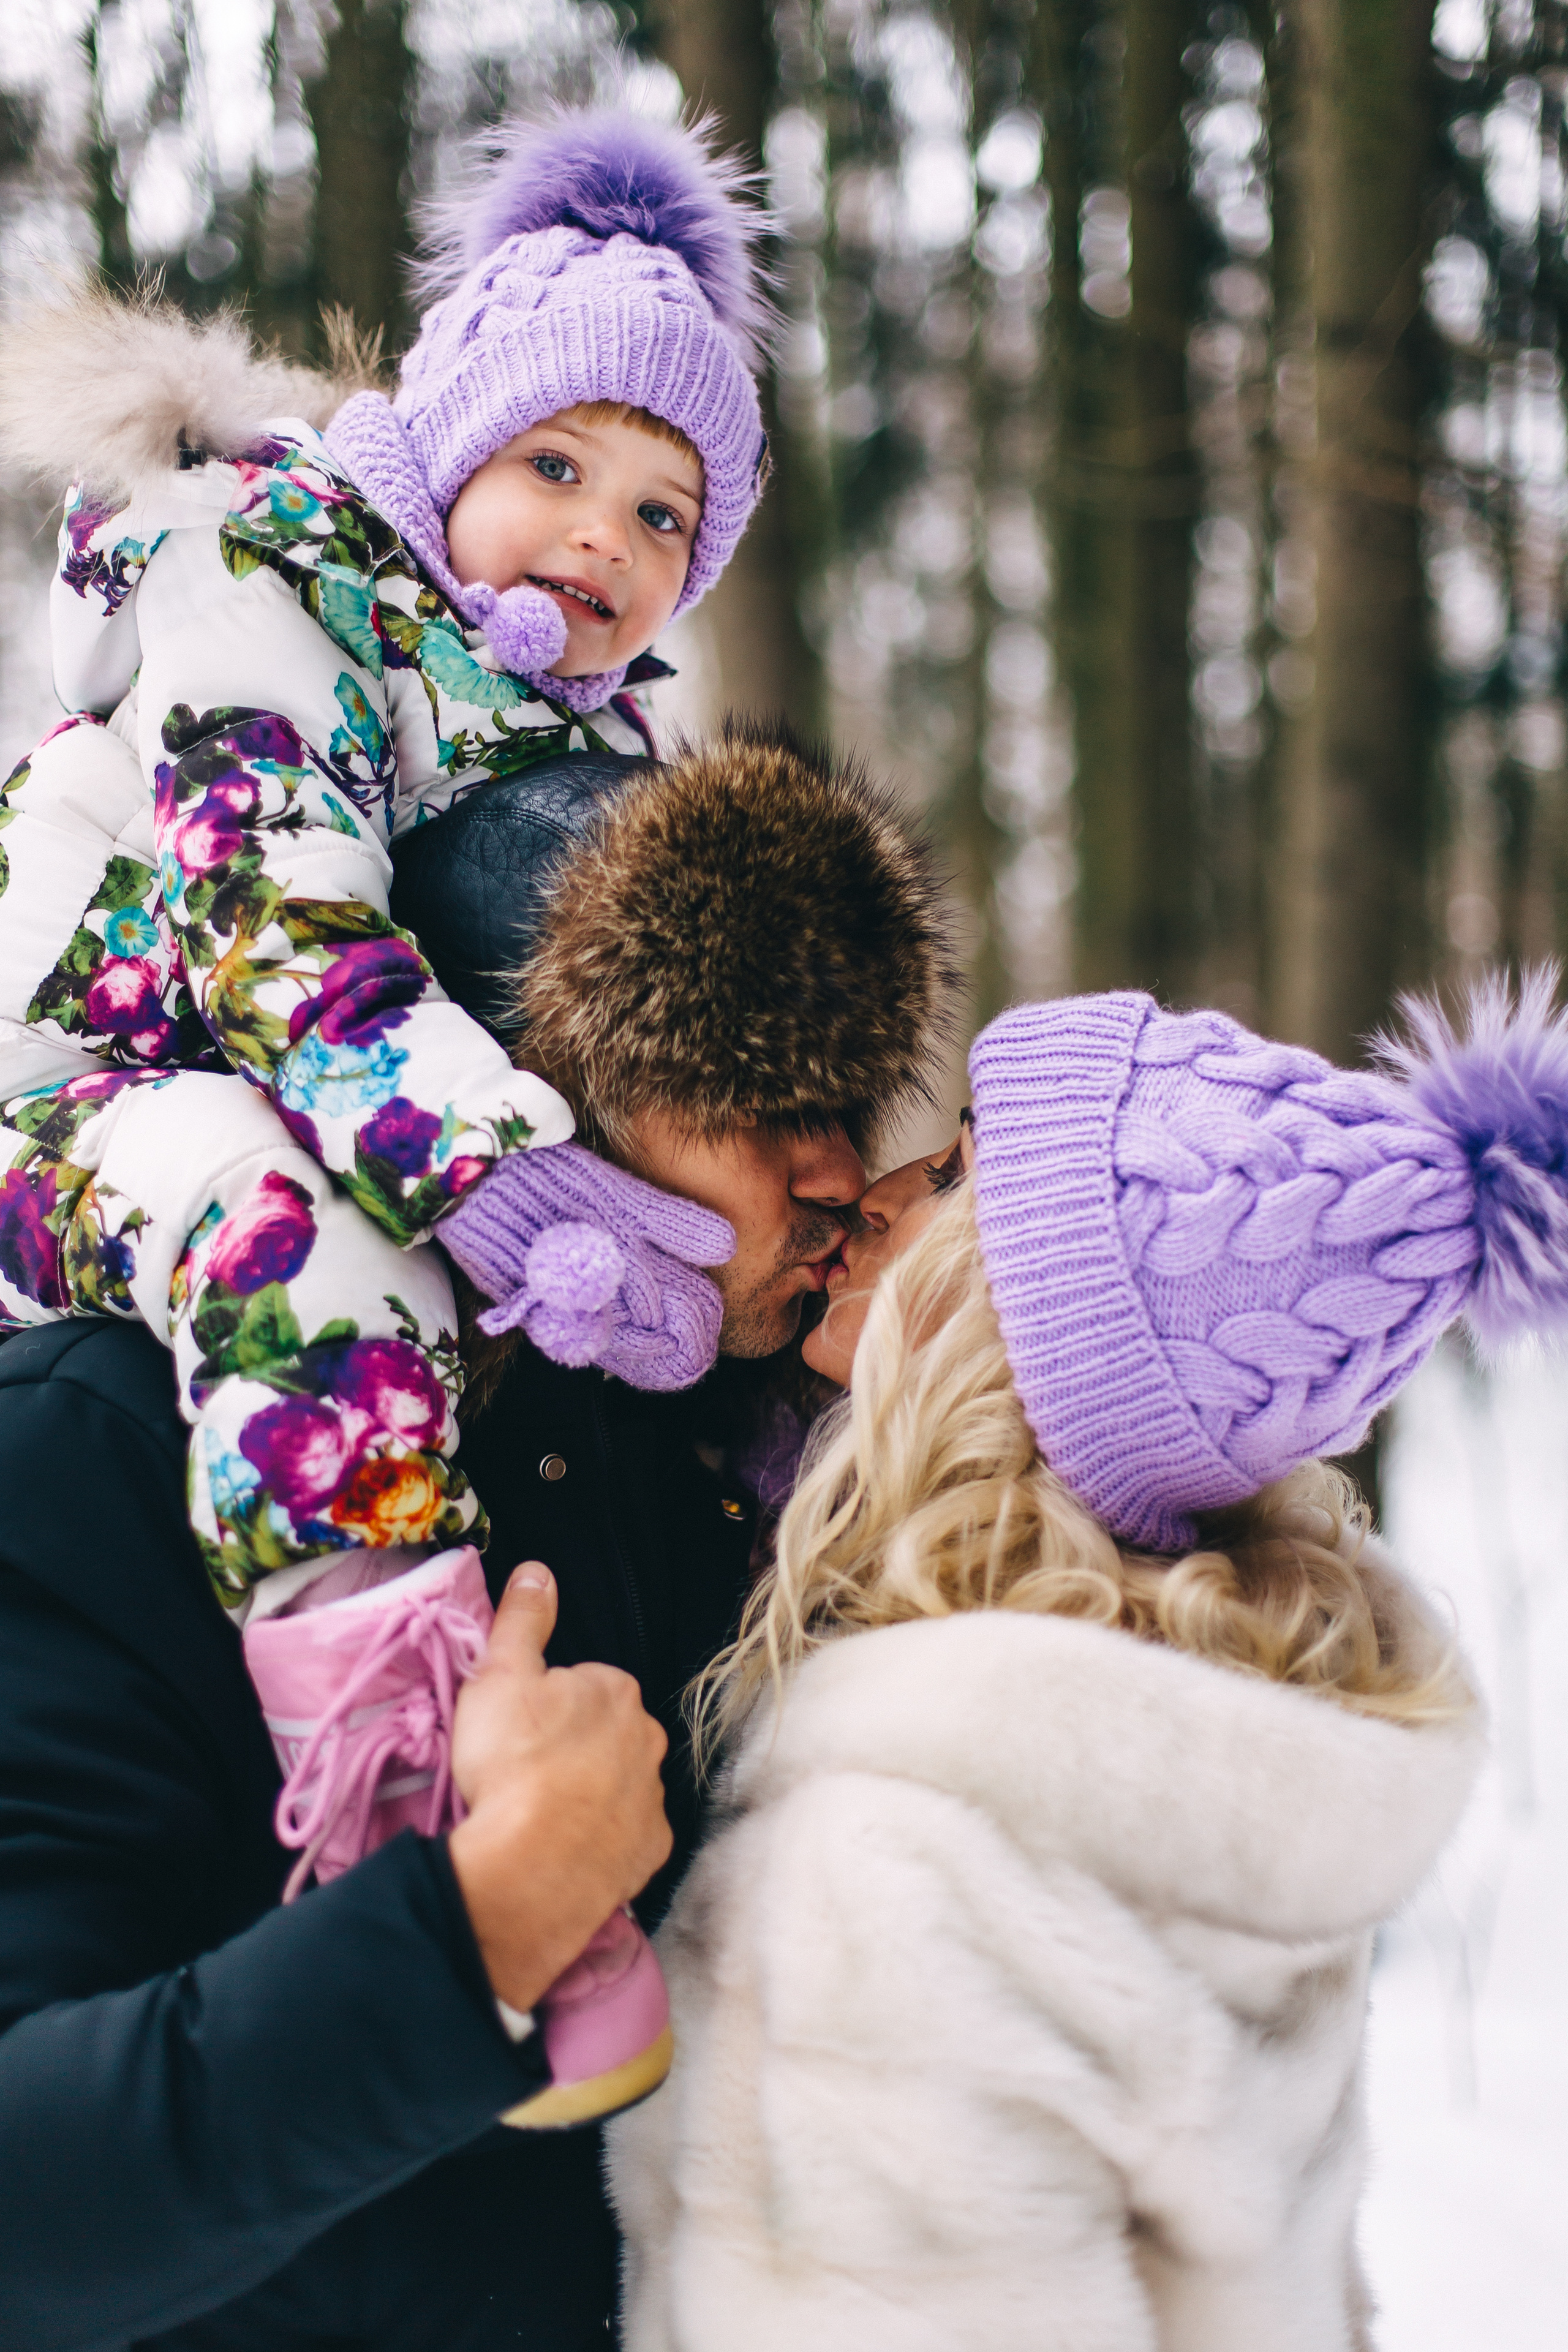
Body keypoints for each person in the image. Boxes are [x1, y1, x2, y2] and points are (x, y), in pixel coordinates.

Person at [0, 736, 954, 2351]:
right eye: (752, 1097)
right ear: (512, 1109)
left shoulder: (714, 1467)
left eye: (843, 1097)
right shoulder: (108, 1447)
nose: (833, 1172)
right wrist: (473, 1931)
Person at [600, 975, 1568, 2351]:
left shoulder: (909, 1856)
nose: (872, 1195)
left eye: (950, 1179)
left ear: (1024, 1340)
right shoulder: (1214, 1749)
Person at [0, 103, 777, 1605]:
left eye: (661, 513)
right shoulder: (268, 578)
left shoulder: (594, 741)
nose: (606, 536)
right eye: (555, 466)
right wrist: (486, 1177)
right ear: (451, 449)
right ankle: (372, 1683)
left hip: (256, 1087)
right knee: (295, 1239)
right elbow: (275, 924)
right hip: (53, 1099)